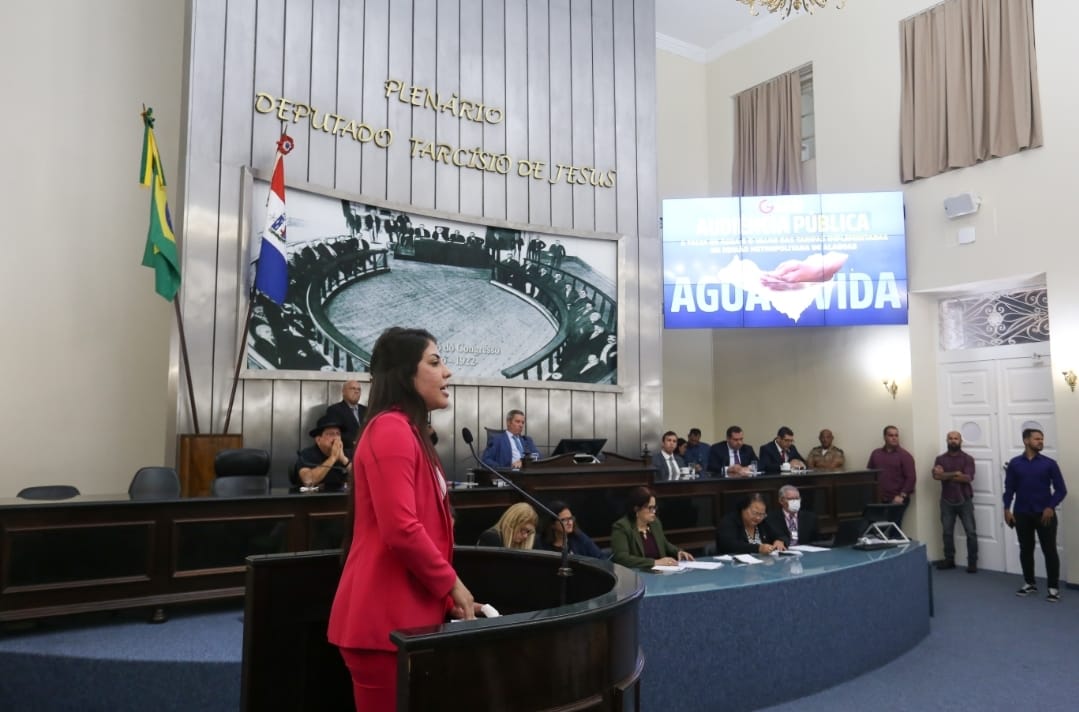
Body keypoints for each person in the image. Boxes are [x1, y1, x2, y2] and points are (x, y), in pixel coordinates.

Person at [328, 327, 481, 711]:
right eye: (434, 362)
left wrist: (448, 599)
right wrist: (454, 586)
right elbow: (402, 529)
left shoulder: (409, 432)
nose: (447, 372)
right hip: (383, 622)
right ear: (403, 375)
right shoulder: (390, 430)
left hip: (408, 618)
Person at [1004, 428, 1067, 601]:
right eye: (1037, 439)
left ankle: (1053, 588)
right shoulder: (1015, 464)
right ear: (1026, 441)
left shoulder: (1049, 464)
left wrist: (1050, 507)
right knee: (1026, 549)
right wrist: (1006, 509)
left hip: (1044, 514)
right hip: (1022, 513)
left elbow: (1061, 490)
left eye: (1042, 439)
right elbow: (1009, 489)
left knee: (1050, 550)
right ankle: (1029, 583)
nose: (1041, 442)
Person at [610, 486, 694, 570]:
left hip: (660, 575)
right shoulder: (622, 527)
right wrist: (655, 562)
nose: (654, 511)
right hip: (636, 576)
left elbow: (664, 543)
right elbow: (621, 558)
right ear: (636, 509)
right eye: (650, 508)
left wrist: (678, 552)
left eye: (654, 507)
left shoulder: (655, 523)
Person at [932, 431, 977, 573]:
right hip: (946, 500)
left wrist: (945, 475)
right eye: (950, 438)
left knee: (970, 532)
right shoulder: (940, 459)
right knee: (947, 532)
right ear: (947, 440)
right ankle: (949, 560)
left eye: (955, 438)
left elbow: (967, 478)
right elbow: (936, 476)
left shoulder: (968, 459)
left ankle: (972, 562)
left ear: (960, 441)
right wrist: (955, 473)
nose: (953, 441)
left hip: (965, 500)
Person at [866, 425, 916, 524]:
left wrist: (901, 496)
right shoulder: (876, 453)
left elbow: (911, 478)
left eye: (896, 435)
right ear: (884, 437)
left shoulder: (905, 455)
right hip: (878, 499)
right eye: (891, 435)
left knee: (894, 531)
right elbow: (870, 474)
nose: (894, 438)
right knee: (876, 530)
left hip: (896, 499)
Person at [292, 416, 351, 490]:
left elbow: (362, 477)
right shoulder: (307, 454)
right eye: (331, 434)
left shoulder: (347, 454)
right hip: (314, 500)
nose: (336, 438)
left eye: (338, 434)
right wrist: (332, 458)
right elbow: (308, 481)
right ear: (318, 440)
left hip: (342, 499)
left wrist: (344, 459)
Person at [717, 493, 786, 555]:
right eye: (755, 513)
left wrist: (780, 540)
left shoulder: (764, 522)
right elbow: (729, 545)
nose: (758, 518)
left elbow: (783, 535)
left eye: (762, 514)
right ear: (743, 508)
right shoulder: (729, 521)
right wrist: (758, 548)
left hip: (763, 565)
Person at [536, 500, 604, 559]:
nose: (570, 523)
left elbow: (600, 558)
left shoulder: (579, 537)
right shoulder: (541, 543)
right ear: (552, 524)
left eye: (570, 518)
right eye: (564, 520)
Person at [324, 380, 367, 451]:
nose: (356, 391)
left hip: (366, 451)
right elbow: (334, 433)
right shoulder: (334, 410)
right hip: (346, 452)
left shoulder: (366, 410)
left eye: (358, 389)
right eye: (353, 388)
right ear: (343, 392)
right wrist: (354, 442)